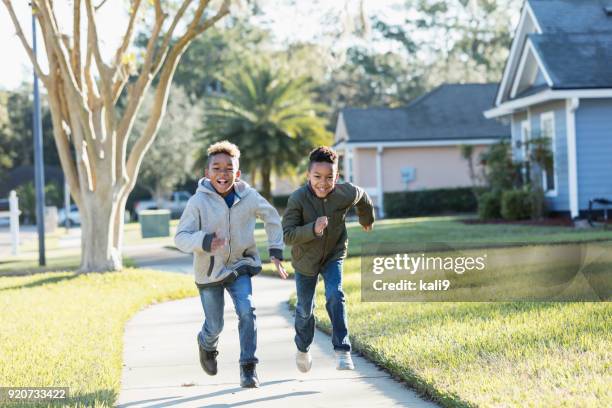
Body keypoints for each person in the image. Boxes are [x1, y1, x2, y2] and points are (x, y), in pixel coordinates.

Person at [174, 141, 287, 388]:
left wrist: (275, 250)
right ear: (207, 173)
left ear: (237, 174)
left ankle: (249, 368)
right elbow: (180, 237)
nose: (222, 174)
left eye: (229, 169)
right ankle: (206, 343)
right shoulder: (197, 202)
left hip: (240, 265)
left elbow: (272, 218)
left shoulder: (249, 197)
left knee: (248, 311)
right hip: (209, 271)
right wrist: (205, 241)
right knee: (215, 325)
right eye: (217, 168)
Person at [282, 146, 374, 372]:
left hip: (333, 254)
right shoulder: (298, 198)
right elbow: (288, 235)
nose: (323, 183)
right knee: (305, 309)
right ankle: (303, 348)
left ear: (337, 176)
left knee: (335, 294)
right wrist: (313, 229)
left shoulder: (344, 192)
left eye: (329, 177)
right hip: (305, 261)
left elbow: (362, 196)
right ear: (308, 176)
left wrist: (366, 218)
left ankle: (343, 350)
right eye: (317, 177)